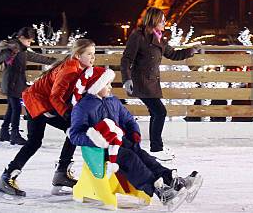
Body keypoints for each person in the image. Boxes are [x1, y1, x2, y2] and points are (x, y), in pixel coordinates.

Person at [69, 65, 202, 209]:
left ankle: (172, 180)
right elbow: (75, 135)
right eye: (106, 84)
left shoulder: (113, 101)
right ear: (95, 86)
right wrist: (96, 139)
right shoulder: (82, 107)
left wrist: (134, 132)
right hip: (101, 151)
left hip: (121, 141)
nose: (110, 87)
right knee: (130, 159)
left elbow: (128, 119)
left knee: (144, 156)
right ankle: (159, 190)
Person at [0, 38, 96, 198]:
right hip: (37, 101)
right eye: (89, 54)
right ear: (77, 55)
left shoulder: (80, 69)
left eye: (94, 53)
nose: (93, 57)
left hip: (45, 102)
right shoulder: (70, 69)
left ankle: (61, 173)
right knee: (39, 140)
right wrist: (68, 114)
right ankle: (7, 177)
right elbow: (56, 97)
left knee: (71, 129)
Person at [120, 7, 201, 161]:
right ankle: (157, 149)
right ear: (154, 20)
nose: (165, 23)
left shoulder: (159, 38)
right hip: (141, 81)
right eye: (162, 20)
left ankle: (155, 148)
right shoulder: (138, 36)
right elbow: (126, 59)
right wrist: (127, 79)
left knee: (155, 113)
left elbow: (174, 54)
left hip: (153, 82)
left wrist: (192, 50)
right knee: (160, 112)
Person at [0, 27, 57, 145]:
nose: (29, 44)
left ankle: (4, 132)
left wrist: (54, 61)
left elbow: (37, 57)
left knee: (11, 108)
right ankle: (14, 134)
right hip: (11, 82)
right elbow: (3, 55)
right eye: (28, 41)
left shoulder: (23, 50)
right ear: (22, 38)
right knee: (16, 108)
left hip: (16, 82)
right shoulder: (14, 48)